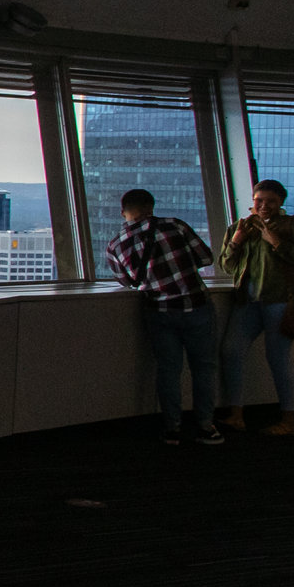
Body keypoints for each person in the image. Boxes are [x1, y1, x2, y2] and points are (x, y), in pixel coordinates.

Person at [102, 188, 222, 445]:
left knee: (169, 371)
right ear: (151, 207)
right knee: (204, 368)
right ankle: (205, 426)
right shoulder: (175, 226)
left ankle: (172, 429)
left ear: (123, 212)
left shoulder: (114, 245)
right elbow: (205, 257)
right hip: (196, 306)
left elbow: (128, 282)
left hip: (159, 313)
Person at [215, 179, 294, 435]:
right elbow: (227, 266)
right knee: (231, 351)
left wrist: (277, 243)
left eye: (270, 201)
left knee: (278, 359)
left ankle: (289, 420)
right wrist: (236, 241)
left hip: (281, 301)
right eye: (259, 200)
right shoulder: (242, 227)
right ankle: (236, 414)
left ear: (281, 202)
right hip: (248, 301)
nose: (263, 206)